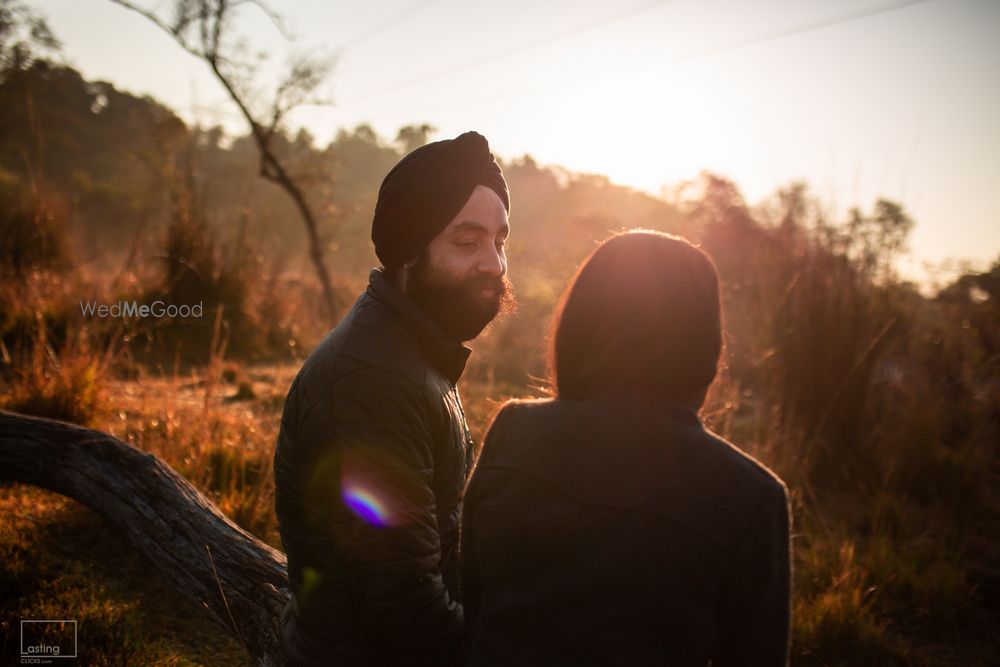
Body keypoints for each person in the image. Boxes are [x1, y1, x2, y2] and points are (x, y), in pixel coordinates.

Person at [461, 230, 791, 666]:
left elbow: (470, 603)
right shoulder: (751, 498)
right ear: (705, 346)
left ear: (580, 326)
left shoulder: (515, 431)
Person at [273, 131, 513, 666]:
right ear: (409, 252)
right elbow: (400, 604)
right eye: (466, 242)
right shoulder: (371, 381)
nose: (495, 264)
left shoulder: (411, 345)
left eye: (500, 241)